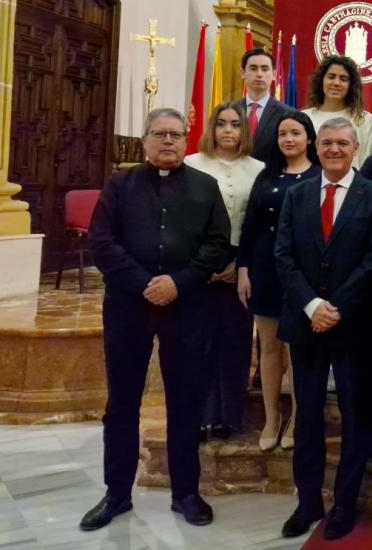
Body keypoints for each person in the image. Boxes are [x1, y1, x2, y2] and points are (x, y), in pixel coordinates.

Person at [81, 108, 230, 531]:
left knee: (185, 402)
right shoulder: (120, 184)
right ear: (144, 140)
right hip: (129, 306)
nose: (168, 142)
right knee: (122, 402)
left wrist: (178, 283)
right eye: (159, 134)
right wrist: (146, 284)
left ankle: (186, 492)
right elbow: (102, 243)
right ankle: (116, 494)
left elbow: (218, 244)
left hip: (187, 308)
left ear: (187, 141)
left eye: (176, 135)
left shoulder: (206, 186)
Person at [274, 117, 372, 540]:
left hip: (354, 323)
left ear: (355, 147)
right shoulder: (297, 194)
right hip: (305, 323)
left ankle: (344, 505)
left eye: (343, 143)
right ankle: (307, 504)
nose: (335, 149)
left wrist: (335, 305)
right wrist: (311, 304)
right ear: (316, 146)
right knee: (306, 417)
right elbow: (283, 255)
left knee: (354, 418)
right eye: (327, 143)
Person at [237, 111, 321, 451]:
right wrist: (243, 269)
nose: (288, 139)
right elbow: (249, 226)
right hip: (264, 270)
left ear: (309, 139)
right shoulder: (266, 175)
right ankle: (273, 417)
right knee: (269, 348)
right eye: (282, 134)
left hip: (303, 274)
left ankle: (298, 418)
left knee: (296, 349)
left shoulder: (319, 175)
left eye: (296, 133)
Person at [184, 101, 263, 441]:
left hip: (240, 263)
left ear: (244, 131)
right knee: (200, 342)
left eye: (235, 124)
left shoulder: (258, 168)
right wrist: (202, 266)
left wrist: (240, 264)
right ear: (211, 128)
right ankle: (198, 415)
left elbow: (257, 224)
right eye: (222, 124)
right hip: (199, 261)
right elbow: (184, 220)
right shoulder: (191, 164)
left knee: (234, 341)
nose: (228, 130)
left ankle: (228, 416)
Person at [302, 54, 372, 168]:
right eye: (331, 77)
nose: (336, 83)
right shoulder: (304, 118)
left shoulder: (364, 119)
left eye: (343, 79)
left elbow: (368, 165)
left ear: (351, 85)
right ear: (321, 80)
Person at [242, 48, 296, 162]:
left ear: (274, 74)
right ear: (243, 73)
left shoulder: (288, 114)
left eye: (265, 69)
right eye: (253, 68)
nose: (259, 74)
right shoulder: (231, 111)